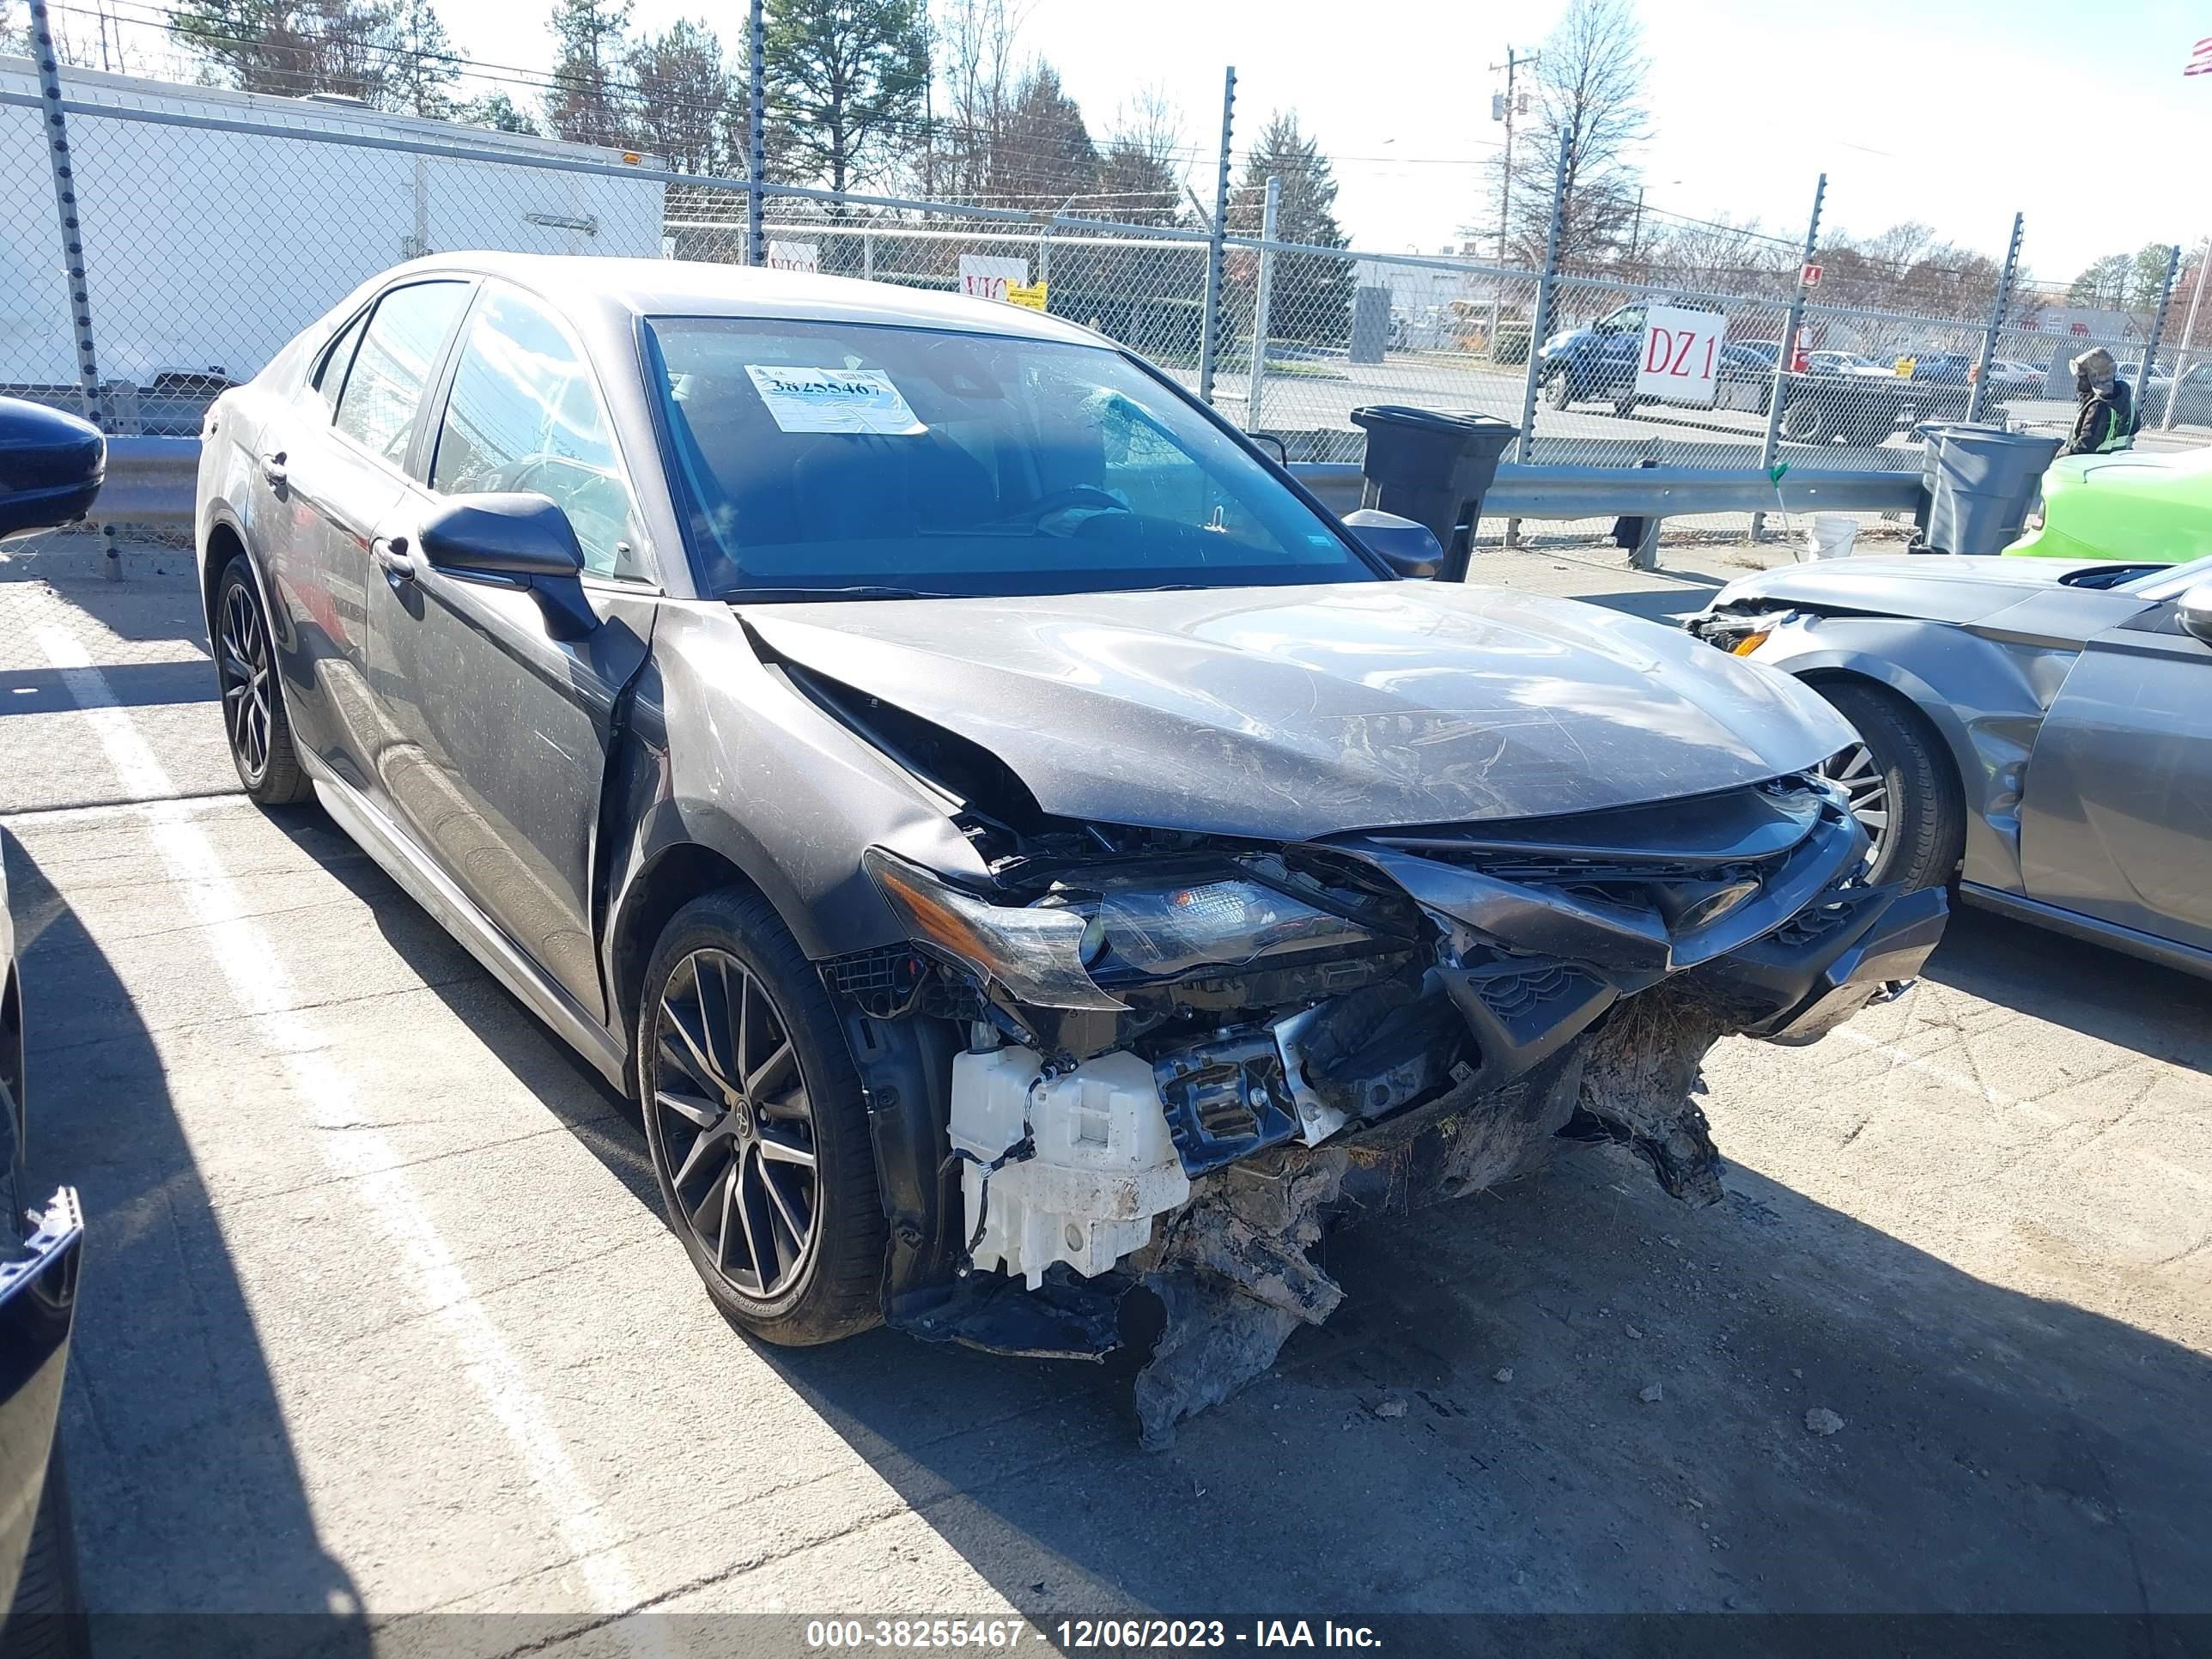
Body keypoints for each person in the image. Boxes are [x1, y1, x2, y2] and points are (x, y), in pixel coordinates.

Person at [2057, 347, 2136, 456]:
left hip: (2086, 467)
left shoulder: (2097, 407)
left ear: (2095, 377)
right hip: (2112, 466)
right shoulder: (2128, 401)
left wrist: (2062, 455)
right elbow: (2133, 430)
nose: (2079, 385)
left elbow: (2085, 446)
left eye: (2082, 378)